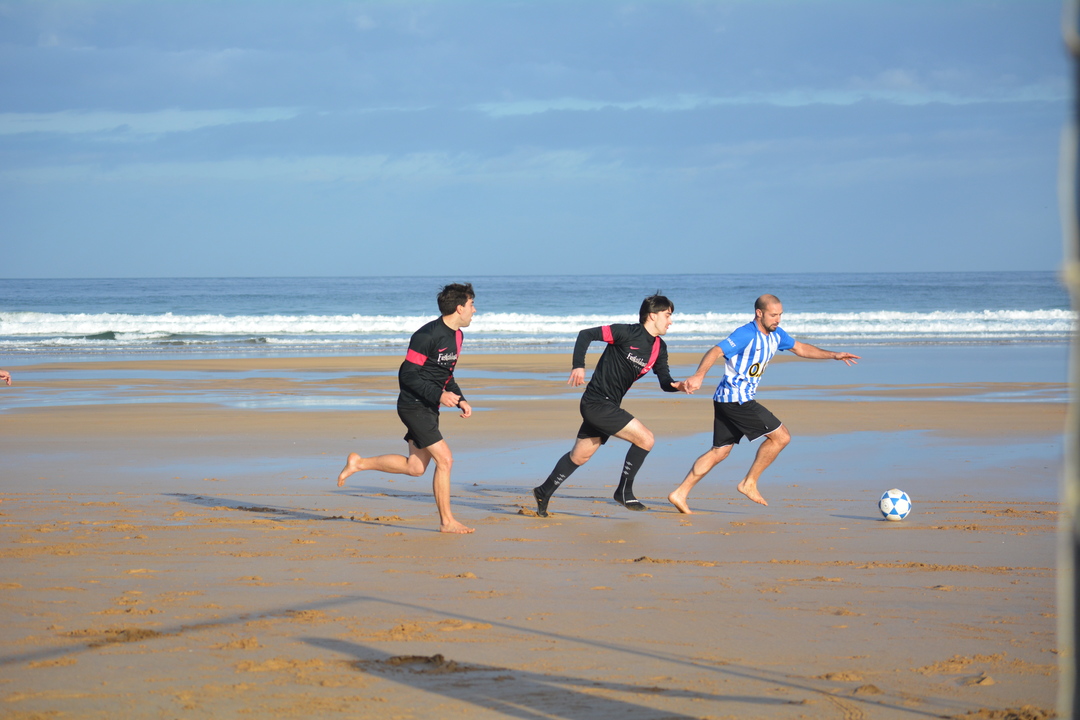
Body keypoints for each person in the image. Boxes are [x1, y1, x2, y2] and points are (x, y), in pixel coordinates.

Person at [667, 294, 860, 512]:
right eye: (773, 315)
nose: (778, 319)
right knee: (781, 437)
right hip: (737, 399)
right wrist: (699, 375)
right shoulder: (745, 334)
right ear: (759, 313)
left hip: (726, 399)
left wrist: (834, 355)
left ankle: (680, 493)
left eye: (780, 315)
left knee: (719, 452)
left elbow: (801, 348)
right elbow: (716, 350)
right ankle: (748, 483)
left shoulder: (776, 334)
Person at [337, 283, 477, 534]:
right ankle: (447, 522)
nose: (474, 310)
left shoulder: (457, 336)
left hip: (428, 406)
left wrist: (460, 399)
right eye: (471, 305)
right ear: (459, 308)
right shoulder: (426, 335)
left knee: (416, 467)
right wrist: (439, 394)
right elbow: (408, 375)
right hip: (413, 405)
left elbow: (445, 374)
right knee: (445, 460)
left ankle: (358, 463)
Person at [532, 294, 690, 517]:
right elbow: (586, 334)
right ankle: (624, 491)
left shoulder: (659, 348)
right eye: (668, 315)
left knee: (579, 456)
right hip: (596, 403)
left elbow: (665, 381)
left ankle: (543, 491)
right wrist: (578, 366)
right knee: (646, 438)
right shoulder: (626, 332)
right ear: (653, 315)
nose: (670, 321)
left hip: (609, 405)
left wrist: (679, 386)